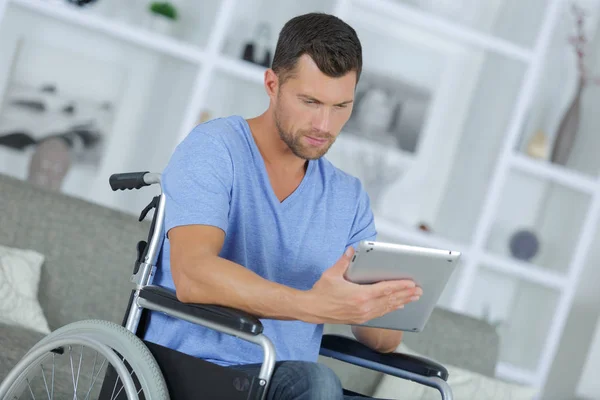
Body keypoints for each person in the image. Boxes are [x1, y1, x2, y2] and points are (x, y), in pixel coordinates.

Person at [143, 12, 423, 399]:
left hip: (286, 383)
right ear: (272, 84)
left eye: (341, 106)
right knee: (319, 383)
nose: (324, 124)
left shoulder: (348, 196)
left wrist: (390, 302)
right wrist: (313, 306)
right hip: (196, 368)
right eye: (310, 101)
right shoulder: (213, 149)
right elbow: (193, 275)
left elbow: (382, 337)